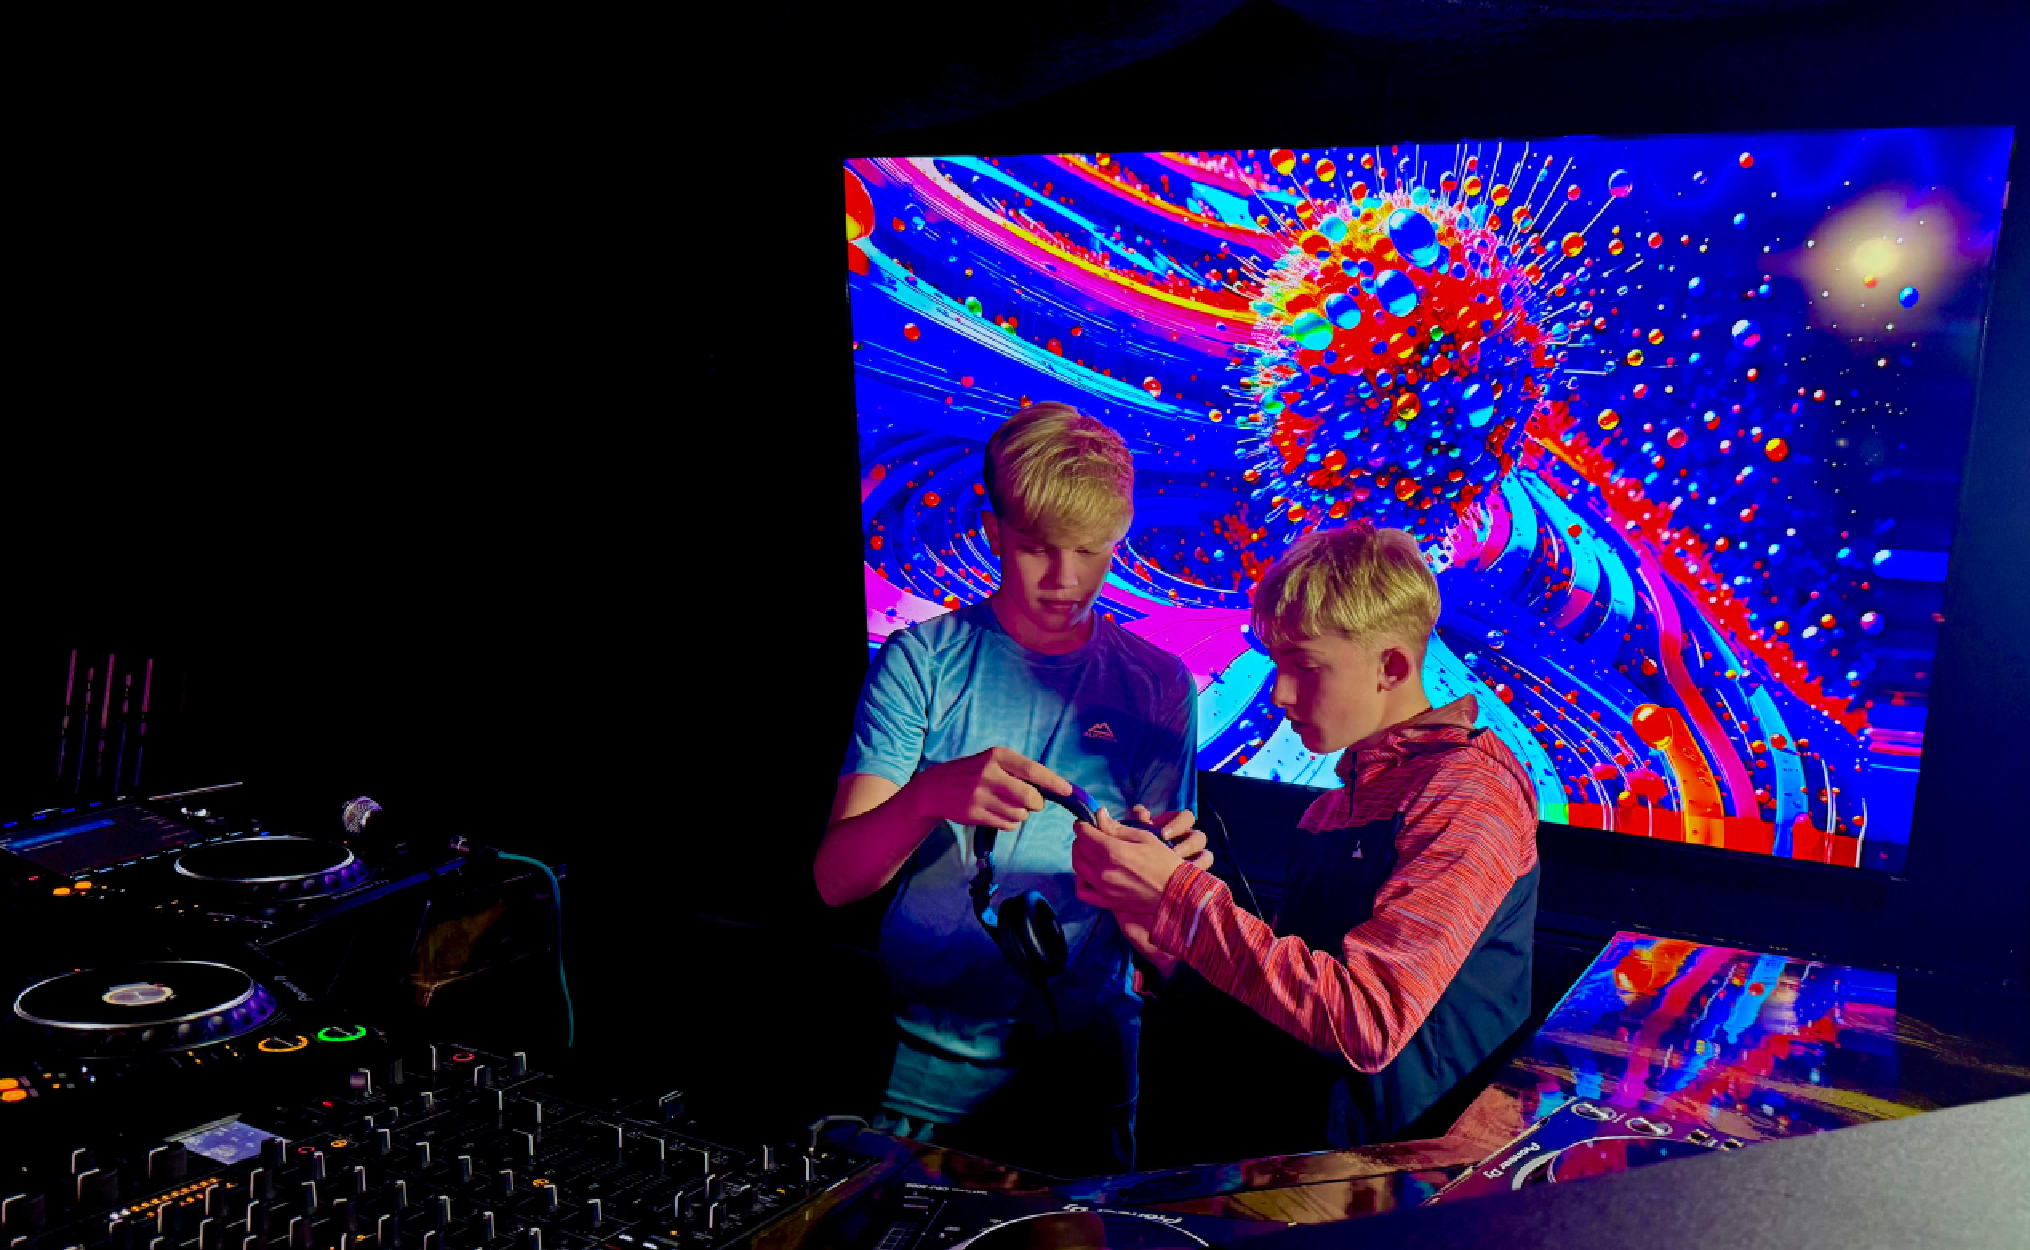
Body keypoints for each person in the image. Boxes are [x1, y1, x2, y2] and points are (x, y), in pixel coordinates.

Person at [816, 401, 1209, 1177]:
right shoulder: (920, 663)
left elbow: (1161, 949)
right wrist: (929, 794)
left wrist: (1165, 894)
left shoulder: (1159, 684)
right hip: (919, 1077)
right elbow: (836, 881)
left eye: (1092, 552)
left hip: (1087, 1078)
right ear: (993, 532)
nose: (1067, 580)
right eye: (1036, 549)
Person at [1072, 520, 1541, 1157]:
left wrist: (1183, 899)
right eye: (1277, 664)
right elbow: (1292, 1015)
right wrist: (1172, 951)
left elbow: (1369, 1023)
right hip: (1311, 1168)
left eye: (1305, 666)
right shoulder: (1329, 811)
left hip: (1417, 1192)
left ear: (1393, 666)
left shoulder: (1467, 794)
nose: (1282, 693)